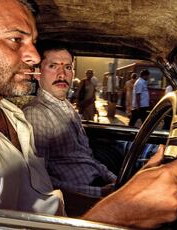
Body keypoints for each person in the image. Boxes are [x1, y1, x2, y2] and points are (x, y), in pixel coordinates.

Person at [0, 0, 177, 229]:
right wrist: (117, 214)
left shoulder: (13, 116)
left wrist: (123, 196)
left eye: (33, 42)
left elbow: (41, 205)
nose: (35, 57)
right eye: (16, 39)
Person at [23, 46, 116, 197]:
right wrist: (98, 192)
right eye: (53, 66)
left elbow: (87, 157)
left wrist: (115, 181)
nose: (62, 74)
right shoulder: (37, 114)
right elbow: (40, 180)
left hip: (97, 182)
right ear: (38, 74)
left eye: (67, 67)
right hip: (78, 198)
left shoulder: (67, 107)